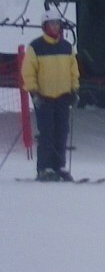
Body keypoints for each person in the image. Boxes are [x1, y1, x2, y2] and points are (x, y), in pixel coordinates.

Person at [20, 15, 80, 180]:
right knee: (47, 132)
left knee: (62, 131)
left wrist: (74, 90)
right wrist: (34, 91)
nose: (55, 27)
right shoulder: (36, 46)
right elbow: (28, 71)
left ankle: (58, 166)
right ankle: (44, 168)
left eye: (57, 24)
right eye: (52, 24)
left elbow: (73, 71)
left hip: (63, 96)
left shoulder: (67, 47)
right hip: (44, 97)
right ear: (45, 26)